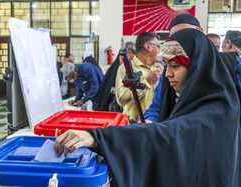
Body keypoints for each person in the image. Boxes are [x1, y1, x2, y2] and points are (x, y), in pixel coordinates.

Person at [54, 29, 241, 186]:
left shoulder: (221, 108)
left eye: (175, 66)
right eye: (166, 65)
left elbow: (173, 133)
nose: (168, 74)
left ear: (198, 67)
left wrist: (98, 137)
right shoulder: (188, 94)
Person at [144, 14, 203, 123]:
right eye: (173, 38)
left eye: (185, 36)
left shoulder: (226, 70)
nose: (178, 43)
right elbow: (157, 106)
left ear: (200, 33)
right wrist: (149, 121)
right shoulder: (168, 76)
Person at [116, 32, 164, 122]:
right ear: (148, 46)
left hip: (155, 123)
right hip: (133, 124)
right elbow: (121, 99)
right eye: (158, 46)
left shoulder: (160, 68)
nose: (159, 51)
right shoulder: (127, 68)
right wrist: (146, 83)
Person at [98, 42, 137, 112]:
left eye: (122, 52)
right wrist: (113, 90)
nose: (121, 54)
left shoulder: (135, 68)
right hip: (115, 106)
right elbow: (106, 87)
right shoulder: (114, 69)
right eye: (120, 55)